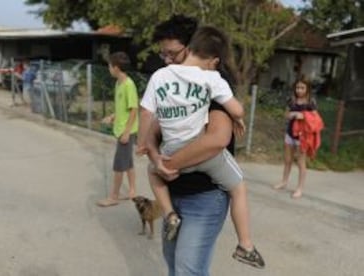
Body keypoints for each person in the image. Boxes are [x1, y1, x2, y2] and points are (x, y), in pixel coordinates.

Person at [139, 24, 264, 269]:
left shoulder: (164, 78)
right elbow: (156, 127)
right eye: (163, 54)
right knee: (239, 186)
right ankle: (245, 244)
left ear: (190, 47)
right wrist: (237, 114)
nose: (167, 60)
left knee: (187, 269)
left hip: (202, 194)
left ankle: (168, 213)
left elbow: (217, 139)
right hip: (182, 178)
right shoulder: (209, 79)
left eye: (172, 53)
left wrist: (155, 157)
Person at [96, 52, 139, 207]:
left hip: (125, 132)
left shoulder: (129, 85)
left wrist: (127, 132)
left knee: (119, 165)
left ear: (116, 67)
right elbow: (123, 109)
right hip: (120, 129)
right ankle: (132, 191)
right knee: (128, 162)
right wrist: (112, 117)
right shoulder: (118, 84)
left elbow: (134, 109)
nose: (109, 69)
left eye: (109, 66)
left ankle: (113, 196)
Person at [274, 78, 317, 198]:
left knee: (300, 162)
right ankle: (284, 182)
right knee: (287, 160)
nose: (299, 90)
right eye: (297, 88)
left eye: (302, 88)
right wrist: (290, 115)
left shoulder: (310, 102)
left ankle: (299, 188)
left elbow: (315, 119)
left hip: (303, 137)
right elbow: (286, 114)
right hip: (290, 134)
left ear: (307, 89)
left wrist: (303, 115)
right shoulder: (292, 100)